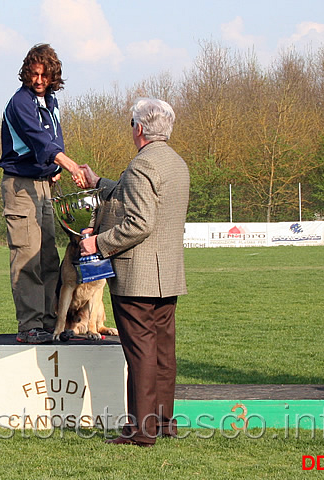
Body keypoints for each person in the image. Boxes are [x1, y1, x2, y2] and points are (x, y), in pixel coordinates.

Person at [79, 98, 190, 447]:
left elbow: (138, 222)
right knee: (162, 352)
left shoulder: (142, 166)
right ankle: (162, 422)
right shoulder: (176, 164)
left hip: (137, 274)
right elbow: (136, 196)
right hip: (167, 273)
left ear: (139, 128)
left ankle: (141, 430)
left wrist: (98, 243)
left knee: (139, 353)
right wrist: (100, 182)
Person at [0, 43, 85, 344]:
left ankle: (52, 323)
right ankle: (30, 326)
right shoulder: (20, 102)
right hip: (20, 186)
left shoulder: (51, 101)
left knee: (49, 258)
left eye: (44, 75)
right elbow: (41, 142)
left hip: (45, 187)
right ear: (26, 73)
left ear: (53, 76)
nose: (38, 80)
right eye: (34, 74)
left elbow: (53, 140)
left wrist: (55, 169)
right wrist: (70, 165)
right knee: (27, 257)